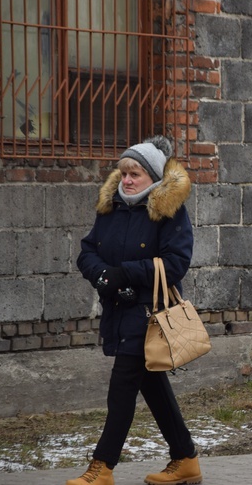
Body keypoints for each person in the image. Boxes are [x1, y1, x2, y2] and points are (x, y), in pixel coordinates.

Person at [72, 136, 202, 485]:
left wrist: (125, 273)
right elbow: (87, 252)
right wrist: (104, 277)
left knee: (122, 386)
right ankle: (186, 458)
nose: (127, 180)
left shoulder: (169, 212)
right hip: (117, 307)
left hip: (149, 314)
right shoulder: (111, 208)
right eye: (124, 173)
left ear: (154, 177)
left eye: (136, 173)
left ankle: (103, 467)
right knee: (152, 385)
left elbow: (176, 264)